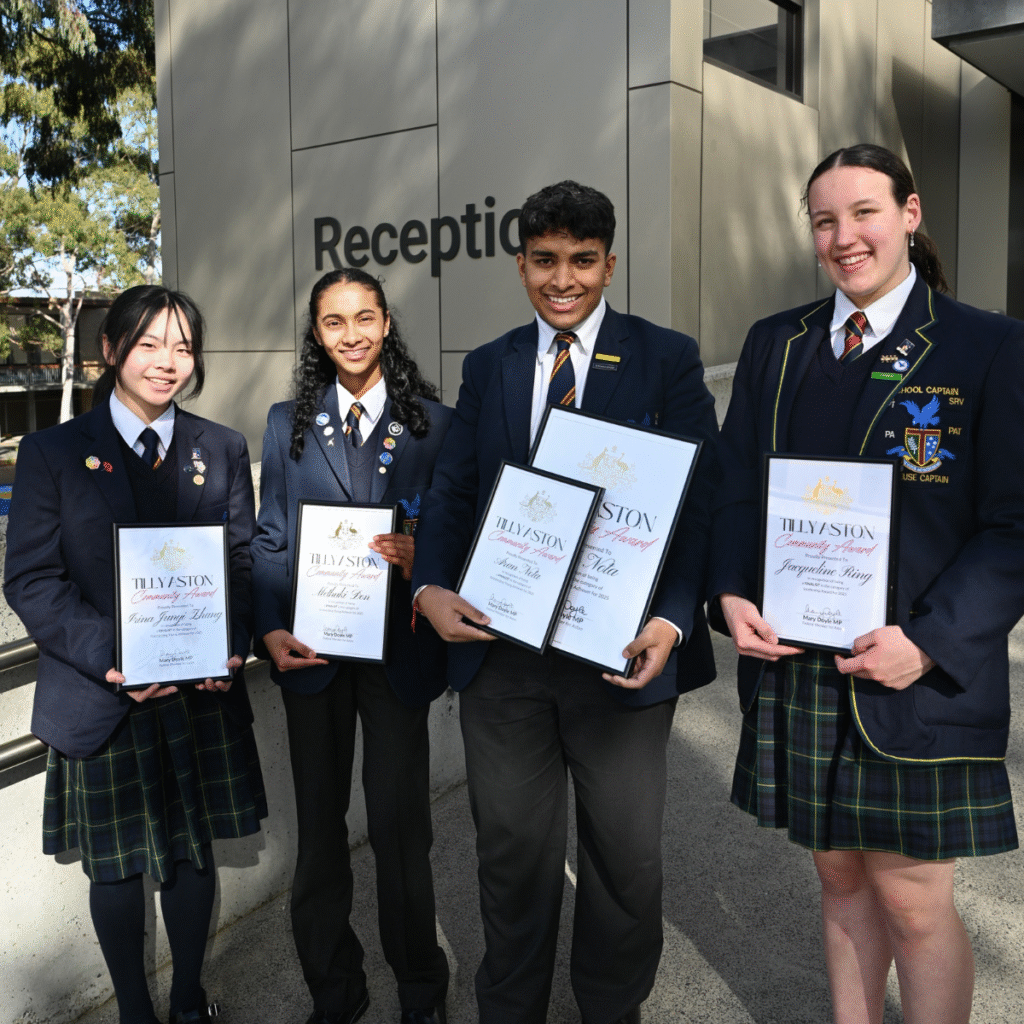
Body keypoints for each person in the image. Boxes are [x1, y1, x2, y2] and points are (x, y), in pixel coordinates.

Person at [708, 144, 1024, 1024]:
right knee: (840, 881)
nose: (843, 237)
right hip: (800, 664)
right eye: (824, 221)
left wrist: (927, 643)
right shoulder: (776, 342)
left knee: (914, 906)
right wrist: (730, 593)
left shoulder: (989, 346)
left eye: (864, 213)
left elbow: (1015, 526)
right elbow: (734, 487)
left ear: (910, 215)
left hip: (914, 673)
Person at [412, 180, 719, 1024]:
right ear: (520, 265)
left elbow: (700, 498)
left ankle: (611, 1009)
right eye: (544, 260)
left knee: (626, 860)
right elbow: (454, 491)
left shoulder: (666, 358)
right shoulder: (491, 364)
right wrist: (430, 587)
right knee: (512, 857)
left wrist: (672, 616)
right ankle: (511, 1011)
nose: (562, 279)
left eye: (582, 261)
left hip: (620, 655)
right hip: (503, 656)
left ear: (609, 264)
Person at [3, 285, 267, 1024]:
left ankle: (187, 999)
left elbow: (241, 564)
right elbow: (31, 578)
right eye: (149, 344)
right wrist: (116, 660)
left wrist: (230, 643)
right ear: (111, 350)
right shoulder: (53, 452)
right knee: (115, 868)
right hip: (101, 693)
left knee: (191, 851)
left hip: (199, 694)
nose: (167, 361)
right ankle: (134, 1012)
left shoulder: (221, 447)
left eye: (182, 346)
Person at [251, 267, 451, 1024]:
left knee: (401, 833)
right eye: (334, 322)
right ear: (316, 332)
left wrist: (423, 552)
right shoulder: (287, 425)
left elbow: (463, 532)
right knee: (320, 836)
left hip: (399, 654)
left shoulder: (435, 424)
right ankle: (335, 991)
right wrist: (269, 628)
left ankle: (421, 992)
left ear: (387, 322)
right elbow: (270, 540)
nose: (352, 334)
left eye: (365, 317)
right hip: (314, 656)